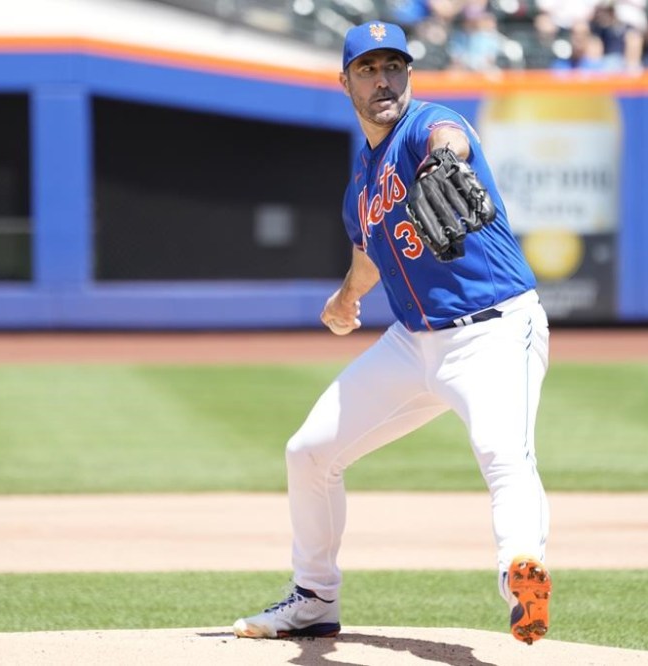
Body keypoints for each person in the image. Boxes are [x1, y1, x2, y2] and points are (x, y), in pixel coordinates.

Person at [233, 20, 552, 646]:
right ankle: (314, 599)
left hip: (493, 328)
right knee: (310, 452)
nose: (384, 80)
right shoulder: (361, 184)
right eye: (369, 69)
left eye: (394, 67)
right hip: (412, 344)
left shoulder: (425, 128)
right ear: (346, 81)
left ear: (409, 73)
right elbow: (369, 252)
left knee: (501, 452)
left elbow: (449, 136)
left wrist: (442, 159)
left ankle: (522, 576)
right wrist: (347, 296)